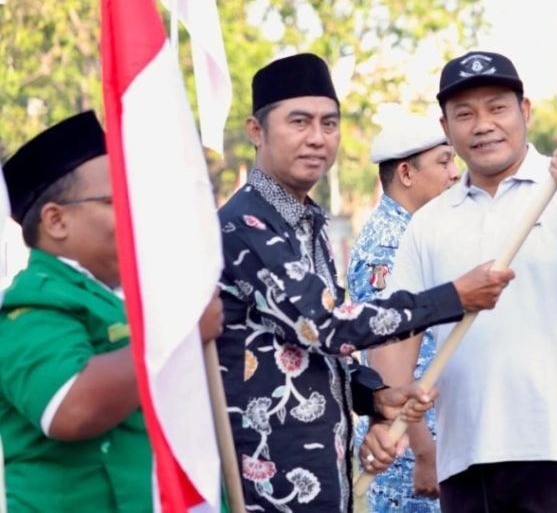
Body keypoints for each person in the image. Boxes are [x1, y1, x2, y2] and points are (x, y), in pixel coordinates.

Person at [215, 53, 515, 513]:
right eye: (299, 122)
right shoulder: (246, 225)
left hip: (323, 477)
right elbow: (324, 326)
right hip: (265, 482)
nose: (317, 138)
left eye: (329, 124)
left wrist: (370, 396)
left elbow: (304, 349)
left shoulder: (305, 222)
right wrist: (453, 297)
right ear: (256, 131)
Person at [374, 51, 557, 513]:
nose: (483, 124)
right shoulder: (429, 222)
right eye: (465, 114)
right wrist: (387, 414)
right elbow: (398, 331)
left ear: (525, 112)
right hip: (467, 459)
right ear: (446, 128)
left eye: (497, 107)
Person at [0, 111, 222, 512]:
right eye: (114, 200)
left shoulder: (128, 294)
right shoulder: (33, 303)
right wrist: (184, 335)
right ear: (56, 220)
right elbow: (71, 408)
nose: (136, 214)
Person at [350, 111, 459, 512]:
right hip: (409, 445)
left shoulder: (416, 233)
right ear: (406, 174)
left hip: (430, 435)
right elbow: (387, 361)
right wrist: (425, 450)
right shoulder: (389, 247)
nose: (454, 174)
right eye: (444, 161)